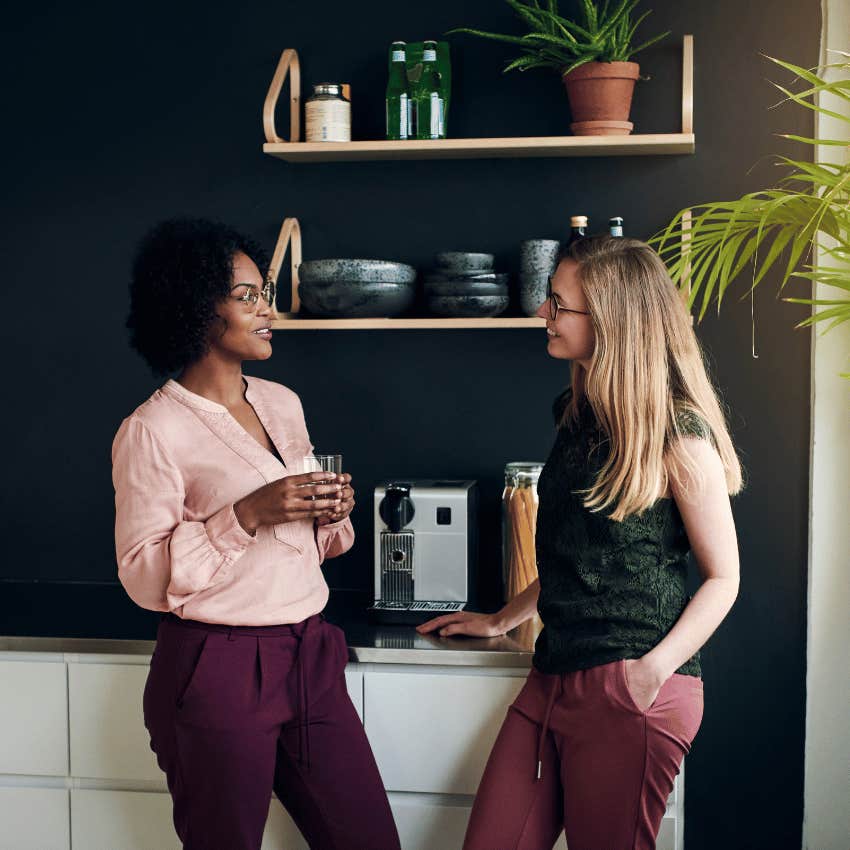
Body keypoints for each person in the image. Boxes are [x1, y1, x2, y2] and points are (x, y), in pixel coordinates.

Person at [418, 235, 742, 850]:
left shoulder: (679, 433)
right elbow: (579, 552)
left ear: (611, 320)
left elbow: (724, 578)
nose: (545, 313)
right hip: (554, 675)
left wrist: (649, 675)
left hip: (630, 683)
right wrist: (501, 619)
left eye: (558, 303)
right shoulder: (577, 414)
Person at [111, 218, 400, 850]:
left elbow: (302, 543)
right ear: (195, 309)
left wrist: (329, 513)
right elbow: (141, 576)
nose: (268, 310)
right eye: (248, 296)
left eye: (263, 293)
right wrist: (244, 516)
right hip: (217, 667)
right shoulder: (153, 430)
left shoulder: (282, 401)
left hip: (311, 654)